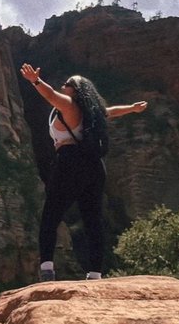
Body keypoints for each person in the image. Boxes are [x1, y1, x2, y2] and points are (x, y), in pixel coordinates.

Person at [20, 63, 147, 282]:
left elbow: (50, 95)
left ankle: (48, 269)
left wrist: (35, 81)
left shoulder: (69, 105)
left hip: (69, 161)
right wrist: (133, 108)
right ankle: (95, 273)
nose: (64, 85)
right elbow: (112, 112)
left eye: (67, 84)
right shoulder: (93, 112)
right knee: (92, 219)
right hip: (94, 165)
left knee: (51, 216)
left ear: (76, 90)